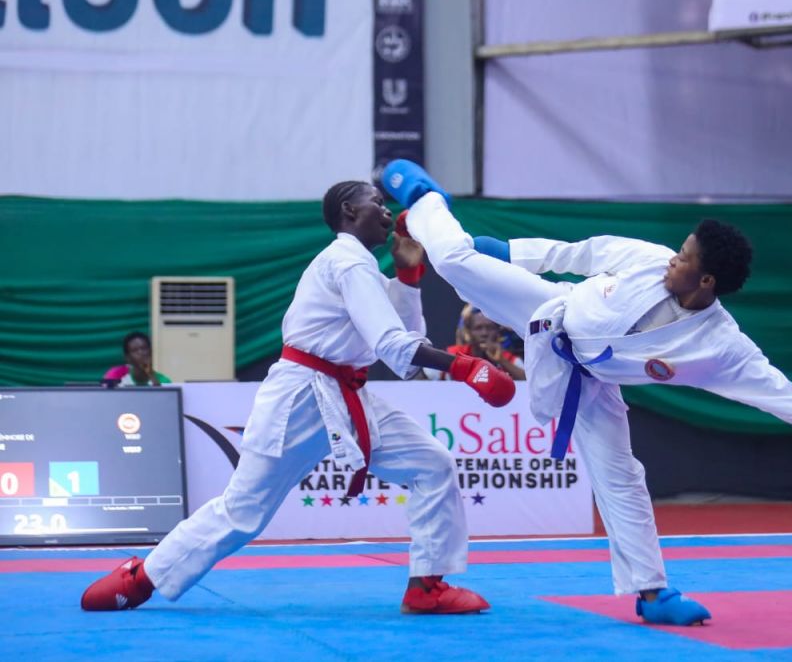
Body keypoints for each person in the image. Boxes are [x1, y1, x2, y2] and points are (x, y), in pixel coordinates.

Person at [381, 160, 792, 626]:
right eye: (679, 251)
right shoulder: (647, 259)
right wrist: (509, 254)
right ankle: (427, 199)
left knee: (624, 478)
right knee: (455, 261)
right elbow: (579, 253)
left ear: (706, 283)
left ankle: (652, 592)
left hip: (590, 384)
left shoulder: (719, 345)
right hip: (547, 309)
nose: (672, 261)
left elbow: (778, 392)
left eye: (684, 260)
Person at [81, 180, 515, 613]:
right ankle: (140, 578)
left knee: (432, 464)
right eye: (378, 203)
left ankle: (427, 586)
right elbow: (392, 345)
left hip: (346, 394)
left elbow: (405, 339)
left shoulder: (361, 266)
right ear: (349, 210)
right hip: (303, 394)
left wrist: (408, 274)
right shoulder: (347, 262)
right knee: (243, 511)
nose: (387, 214)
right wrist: (465, 366)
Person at [423, 304, 526, 381]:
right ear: (469, 331)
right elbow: (422, 377)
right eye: (478, 328)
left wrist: (502, 361)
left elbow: (529, 384)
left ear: (498, 331)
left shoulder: (509, 359)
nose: (484, 333)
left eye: (490, 328)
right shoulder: (453, 353)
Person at [102, 331, 172, 386]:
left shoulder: (164, 381)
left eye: (144, 348)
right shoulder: (116, 374)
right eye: (135, 350)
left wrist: (151, 375)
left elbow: (163, 400)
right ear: (127, 358)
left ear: (151, 352)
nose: (141, 353)